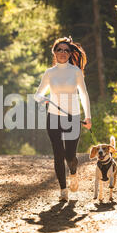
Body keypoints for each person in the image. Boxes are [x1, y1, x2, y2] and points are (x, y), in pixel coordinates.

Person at [34, 36, 92, 202]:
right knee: (58, 154)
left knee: (70, 154)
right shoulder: (49, 73)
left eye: (66, 50)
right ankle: (63, 190)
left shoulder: (76, 72)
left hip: (73, 118)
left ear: (70, 53)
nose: (63, 53)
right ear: (54, 52)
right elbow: (38, 94)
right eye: (59, 49)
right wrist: (43, 99)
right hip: (53, 118)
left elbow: (83, 94)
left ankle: (73, 173)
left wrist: (88, 116)